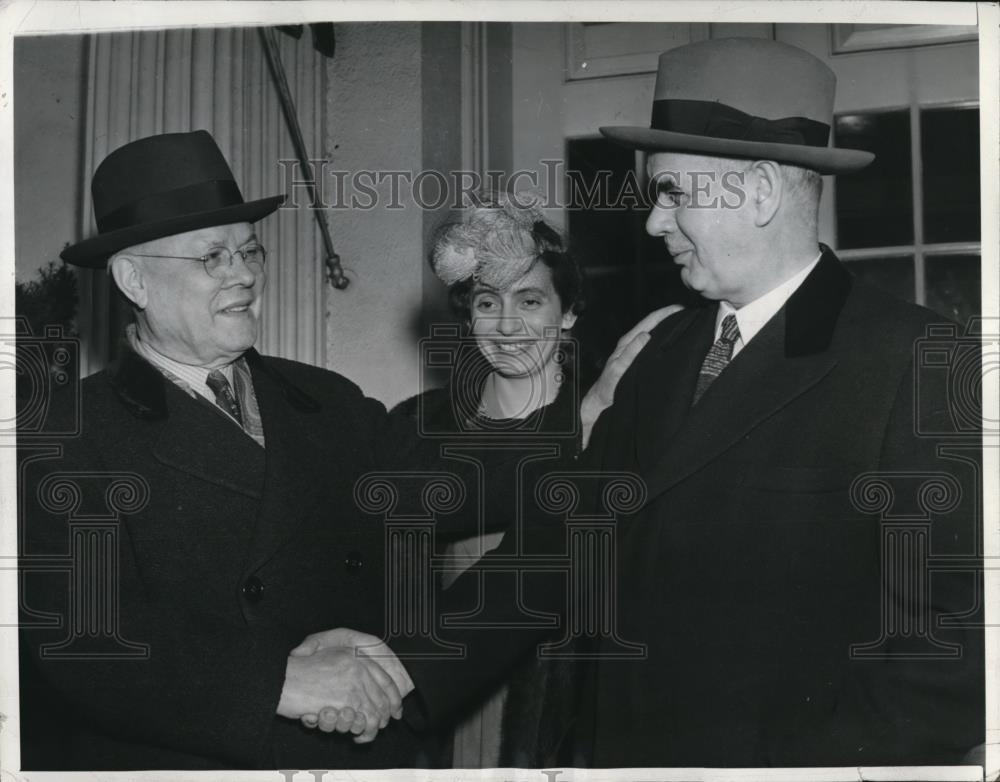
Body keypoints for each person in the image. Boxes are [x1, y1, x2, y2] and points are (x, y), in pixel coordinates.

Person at [308, 38, 984, 767]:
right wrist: (404, 667)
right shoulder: (660, 351)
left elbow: (953, 650)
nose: (655, 223)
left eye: (671, 193)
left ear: (757, 192)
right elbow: (562, 545)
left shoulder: (917, 358)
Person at [17, 130, 666, 770]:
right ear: (133, 278)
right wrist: (278, 683)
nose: (243, 274)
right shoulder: (71, 432)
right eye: (212, 257)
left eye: (250, 251)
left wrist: (584, 420)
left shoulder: (321, 398)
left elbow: (448, 483)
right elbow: (83, 648)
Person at [392, 194, 590, 767]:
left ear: (569, 311)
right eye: (487, 302)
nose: (507, 326)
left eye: (530, 301)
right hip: (423, 693)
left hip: (558, 700)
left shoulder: (598, 429)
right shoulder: (414, 426)